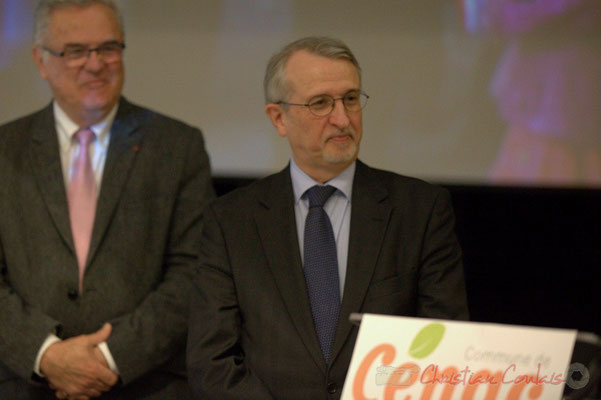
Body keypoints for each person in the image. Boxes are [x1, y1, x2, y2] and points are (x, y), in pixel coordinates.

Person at [187, 36, 469, 400]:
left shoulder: (421, 209)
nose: (342, 118)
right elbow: (212, 363)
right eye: (320, 103)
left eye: (350, 99)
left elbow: (444, 346)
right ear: (278, 118)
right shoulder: (231, 221)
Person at [0, 0, 214, 399]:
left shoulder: (177, 147)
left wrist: (110, 358)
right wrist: (45, 354)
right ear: (41, 61)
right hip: (23, 383)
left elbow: (194, 273)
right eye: (76, 51)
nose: (96, 64)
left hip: (144, 383)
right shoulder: (4, 150)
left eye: (108, 48)